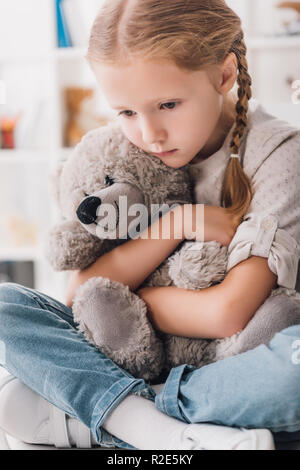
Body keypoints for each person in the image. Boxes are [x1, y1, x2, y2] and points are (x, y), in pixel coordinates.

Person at [0, 0, 300, 451]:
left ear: (224, 75)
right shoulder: (123, 148)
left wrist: (125, 294)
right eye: (125, 112)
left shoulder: (278, 153)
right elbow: (78, 295)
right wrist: (178, 222)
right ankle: (161, 426)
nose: (149, 133)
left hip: (229, 362)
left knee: (291, 370)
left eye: (167, 104)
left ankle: (115, 414)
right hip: (123, 352)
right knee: (6, 304)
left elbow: (228, 313)